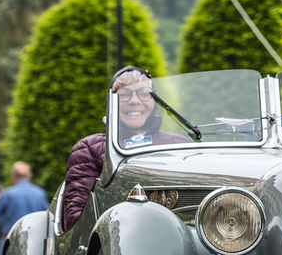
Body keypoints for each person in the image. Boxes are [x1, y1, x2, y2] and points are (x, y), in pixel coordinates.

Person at [60, 66, 188, 232]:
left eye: (144, 93)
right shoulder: (88, 148)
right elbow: (75, 219)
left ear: (154, 101)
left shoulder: (178, 144)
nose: (134, 100)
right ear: (111, 103)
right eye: (124, 94)